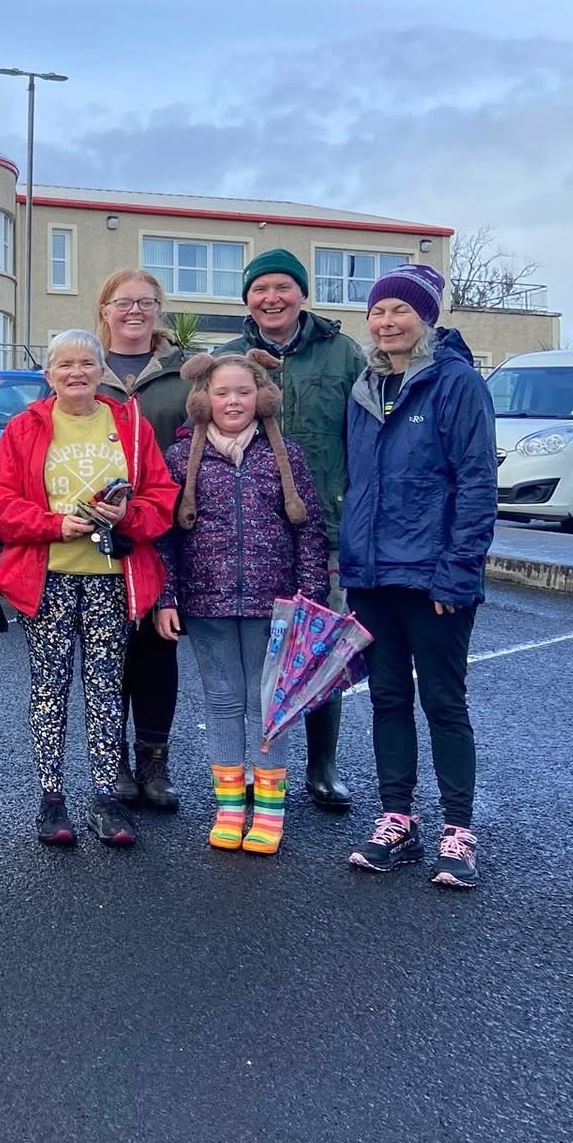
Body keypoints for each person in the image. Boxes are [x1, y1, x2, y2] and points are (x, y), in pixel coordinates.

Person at [0, 330, 178, 847]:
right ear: (49, 374)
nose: (76, 372)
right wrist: (52, 523)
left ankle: (106, 797)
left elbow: (161, 498)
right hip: (49, 575)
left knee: (105, 688)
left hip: (111, 578)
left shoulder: (128, 426)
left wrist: (127, 513)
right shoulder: (27, 427)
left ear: (100, 372)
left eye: (87, 363)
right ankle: (52, 798)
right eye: (65, 364)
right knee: (49, 689)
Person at [340, 264, 496, 889]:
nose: (387, 322)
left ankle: (458, 831)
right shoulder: (365, 387)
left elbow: (477, 485)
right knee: (386, 699)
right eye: (378, 312)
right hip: (372, 576)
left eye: (401, 311)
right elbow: (356, 483)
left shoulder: (456, 384)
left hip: (434, 579)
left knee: (442, 699)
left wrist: (457, 575)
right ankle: (396, 821)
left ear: (426, 318)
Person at [156, 353, 328, 855]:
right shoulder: (180, 458)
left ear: (263, 398)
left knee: (266, 705)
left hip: (273, 604)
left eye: (243, 392)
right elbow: (164, 537)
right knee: (223, 702)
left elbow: (310, 530)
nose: (233, 401)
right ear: (203, 400)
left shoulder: (285, 456)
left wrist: (308, 599)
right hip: (205, 601)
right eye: (222, 392)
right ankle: (230, 806)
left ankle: (270, 810)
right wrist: (166, 596)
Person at [214, 247, 365, 810]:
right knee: (254, 654)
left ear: (302, 293)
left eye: (283, 287)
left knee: (318, 646)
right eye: (260, 289)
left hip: (323, 521)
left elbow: (363, 438)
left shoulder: (342, 352)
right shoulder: (229, 356)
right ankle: (255, 765)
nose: (271, 298)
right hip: (243, 528)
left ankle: (322, 765)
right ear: (247, 298)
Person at [92, 268, 194, 810]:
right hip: (93, 537)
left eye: (147, 302)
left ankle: (154, 761)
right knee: (109, 651)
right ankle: (115, 765)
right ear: (104, 310)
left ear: (160, 311)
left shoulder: (183, 378)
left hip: (162, 532)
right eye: (123, 302)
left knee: (157, 650)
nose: (135, 311)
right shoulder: (83, 370)